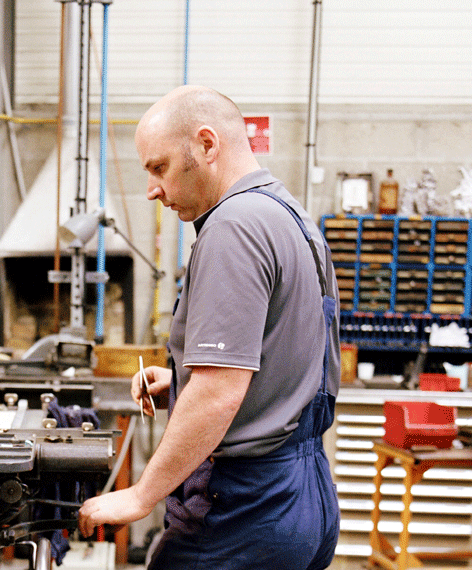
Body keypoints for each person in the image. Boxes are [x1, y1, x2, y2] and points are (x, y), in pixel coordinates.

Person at [77, 85, 341, 569]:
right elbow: (280, 357)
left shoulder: (233, 227)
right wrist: (178, 382)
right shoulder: (292, 218)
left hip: (246, 507)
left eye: (159, 167)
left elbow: (220, 391)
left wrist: (141, 496)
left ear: (206, 144)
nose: (153, 188)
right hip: (306, 496)